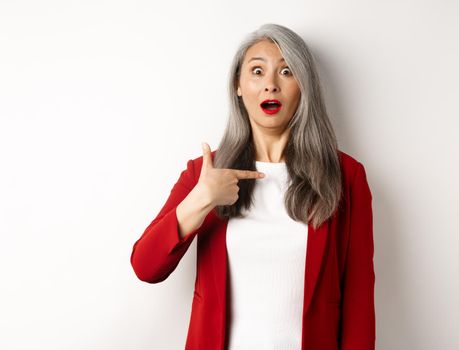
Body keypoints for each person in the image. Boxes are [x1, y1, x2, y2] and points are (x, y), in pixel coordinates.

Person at [130, 23, 375, 350]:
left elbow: (359, 299)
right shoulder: (205, 174)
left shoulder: (346, 176)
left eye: (287, 72)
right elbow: (145, 267)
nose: (270, 85)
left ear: (304, 85)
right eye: (257, 71)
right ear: (238, 86)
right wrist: (201, 199)